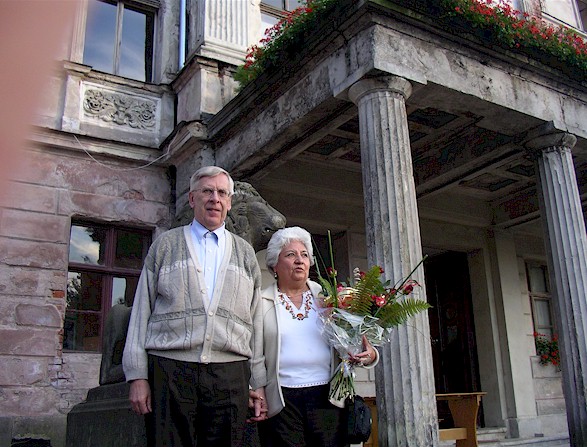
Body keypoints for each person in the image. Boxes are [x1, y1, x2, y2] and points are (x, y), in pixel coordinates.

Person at [122, 166, 267, 447]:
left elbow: (256, 320)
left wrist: (257, 382)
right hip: (170, 370)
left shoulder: (245, 253)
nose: (215, 199)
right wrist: (137, 375)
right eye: (207, 191)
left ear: (229, 202)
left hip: (230, 373)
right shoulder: (165, 245)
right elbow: (141, 311)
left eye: (222, 193)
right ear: (192, 199)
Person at [256, 226, 378, 447]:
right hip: (282, 400)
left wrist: (369, 354)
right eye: (291, 255)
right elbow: (255, 354)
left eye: (304, 255)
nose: (299, 260)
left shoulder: (330, 298)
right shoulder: (261, 302)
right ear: (274, 264)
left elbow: (355, 340)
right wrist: (257, 388)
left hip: (328, 397)